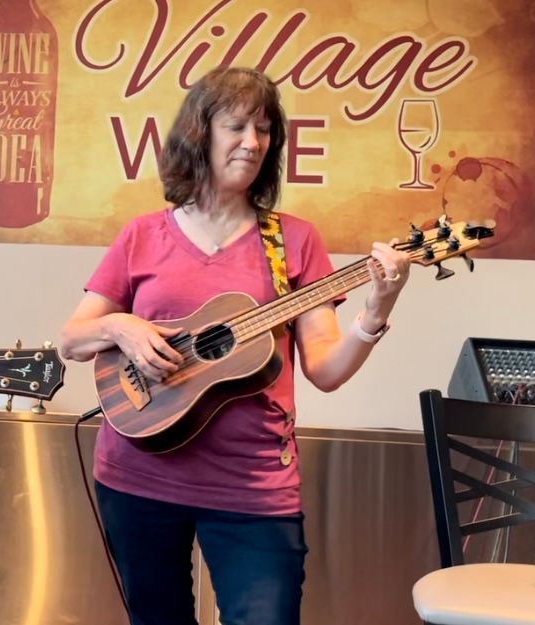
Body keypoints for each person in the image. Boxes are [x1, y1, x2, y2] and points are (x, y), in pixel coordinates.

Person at [58, 67, 411, 625]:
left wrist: (376, 311)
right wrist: (122, 326)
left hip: (253, 484)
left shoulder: (293, 240)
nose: (253, 142)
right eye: (237, 126)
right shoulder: (143, 235)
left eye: (264, 130)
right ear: (199, 134)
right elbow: (73, 339)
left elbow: (325, 369)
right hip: (139, 472)